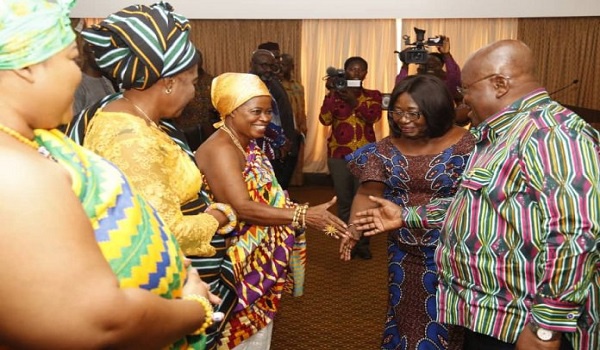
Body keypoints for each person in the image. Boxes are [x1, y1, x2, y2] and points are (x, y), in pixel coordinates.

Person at [354, 39, 600, 350]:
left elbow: (575, 233)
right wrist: (406, 215)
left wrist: (547, 327)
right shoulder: (499, 136)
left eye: (467, 89)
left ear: (499, 84)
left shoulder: (551, 133)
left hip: (525, 322)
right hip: (493, 316)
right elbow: (478, 206)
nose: (463, 99)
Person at [0, 0, 219, 348]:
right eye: (72, 59)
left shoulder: (30, 142)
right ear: (27, 67)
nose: (79, 75)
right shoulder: (14, 172)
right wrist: (195, 308)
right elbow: (99, 322)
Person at [195, 72, 351, 350]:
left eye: (269, 111)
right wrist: (303, 215)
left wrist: (319, 219)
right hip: (234, 265)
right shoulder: (221, 148)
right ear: (229, 110)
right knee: (237, 338)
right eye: (256, 111)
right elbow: (241, 207)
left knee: (258, 337)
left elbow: (270, 198)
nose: (265, 118)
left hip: (259, 259)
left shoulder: (248, 144)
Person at [77, 2, 230, 260]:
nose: (194, 93)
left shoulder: (141, 119)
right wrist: (219, 216)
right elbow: (162, 233)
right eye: (192, 83)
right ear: (169, 83)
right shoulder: (129, 137)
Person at [341, 74, 475, 349]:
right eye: (398, 112)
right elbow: (369, 193)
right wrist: (354, 229)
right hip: (403, 252)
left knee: (447, 326)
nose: (403, 120)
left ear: (435, 110)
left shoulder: (469, 146)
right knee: (406, 321)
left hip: (452, 253)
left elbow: (478, 202)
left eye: (413, 113)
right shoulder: (385, 149)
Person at [319, 56, 382, 259]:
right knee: (345, 201)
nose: (356, 73)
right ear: (344, 72)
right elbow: (324, 119)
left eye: (360, 70)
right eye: (352, 69)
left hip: (366, 156)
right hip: (339, 155)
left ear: (365, 73)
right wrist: (331, 94)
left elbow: (374, 116)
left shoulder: (373, 95)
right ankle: (348, 239)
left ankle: (363, 243)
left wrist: (354, 102)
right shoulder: (335, 95)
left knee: (364, 201)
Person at [250, 48, 300, 190]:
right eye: (263, 65)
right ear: (252, 64)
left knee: (275, 188)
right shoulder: (248, 85)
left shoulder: (272, 82)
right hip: (256, 146)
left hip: (274, 147)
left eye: (271, 66)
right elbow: (256, 117)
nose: (268, 70)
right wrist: (280, 140)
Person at [172, 49, 219, 151]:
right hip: (185, 127)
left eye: (199, 59)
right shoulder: (180, 82)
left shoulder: (212, 80)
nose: (197, 62)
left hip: (208, 128)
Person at [279, 53, 308, 186]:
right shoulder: (275, 86)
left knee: (291, 163)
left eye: (285, 65)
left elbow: (301, 108)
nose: (282, 68)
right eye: (280, 64)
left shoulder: (298, 86)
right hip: (281, 132)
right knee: (280, 165)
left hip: (297, 132)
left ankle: (285, 194)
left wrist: (303, 128)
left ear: (292, 67)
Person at [72, 38, 115, 116]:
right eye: (96, 52)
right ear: (85, 55)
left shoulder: (107, 81)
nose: (102, 57)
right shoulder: (78, 85)